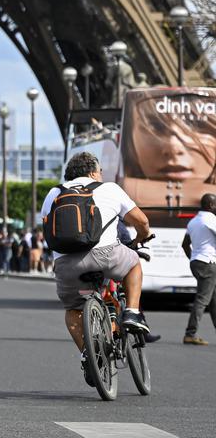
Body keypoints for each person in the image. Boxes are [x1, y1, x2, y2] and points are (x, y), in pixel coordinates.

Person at [40, 151, 152, 386]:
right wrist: (143, 237)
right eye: (100, 171)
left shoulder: (53, 194)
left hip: (67, 263)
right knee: (133, 266)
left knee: (73, 310)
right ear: (92, 171)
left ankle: (88, 355)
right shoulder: (110, 189)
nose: (101, 175)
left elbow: (47, 229)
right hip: (106, 255)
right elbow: (141, 221)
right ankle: (131, 311)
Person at [182, 193, 216, 345]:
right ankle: (190, 333)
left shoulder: (193, 221)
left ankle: (191, 332)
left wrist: (193, 257)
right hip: (208, 263)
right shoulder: (211, 220)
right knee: (202, 299)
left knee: (214, 299)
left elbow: (184, 244)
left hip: (196, 262)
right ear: (210, 205)